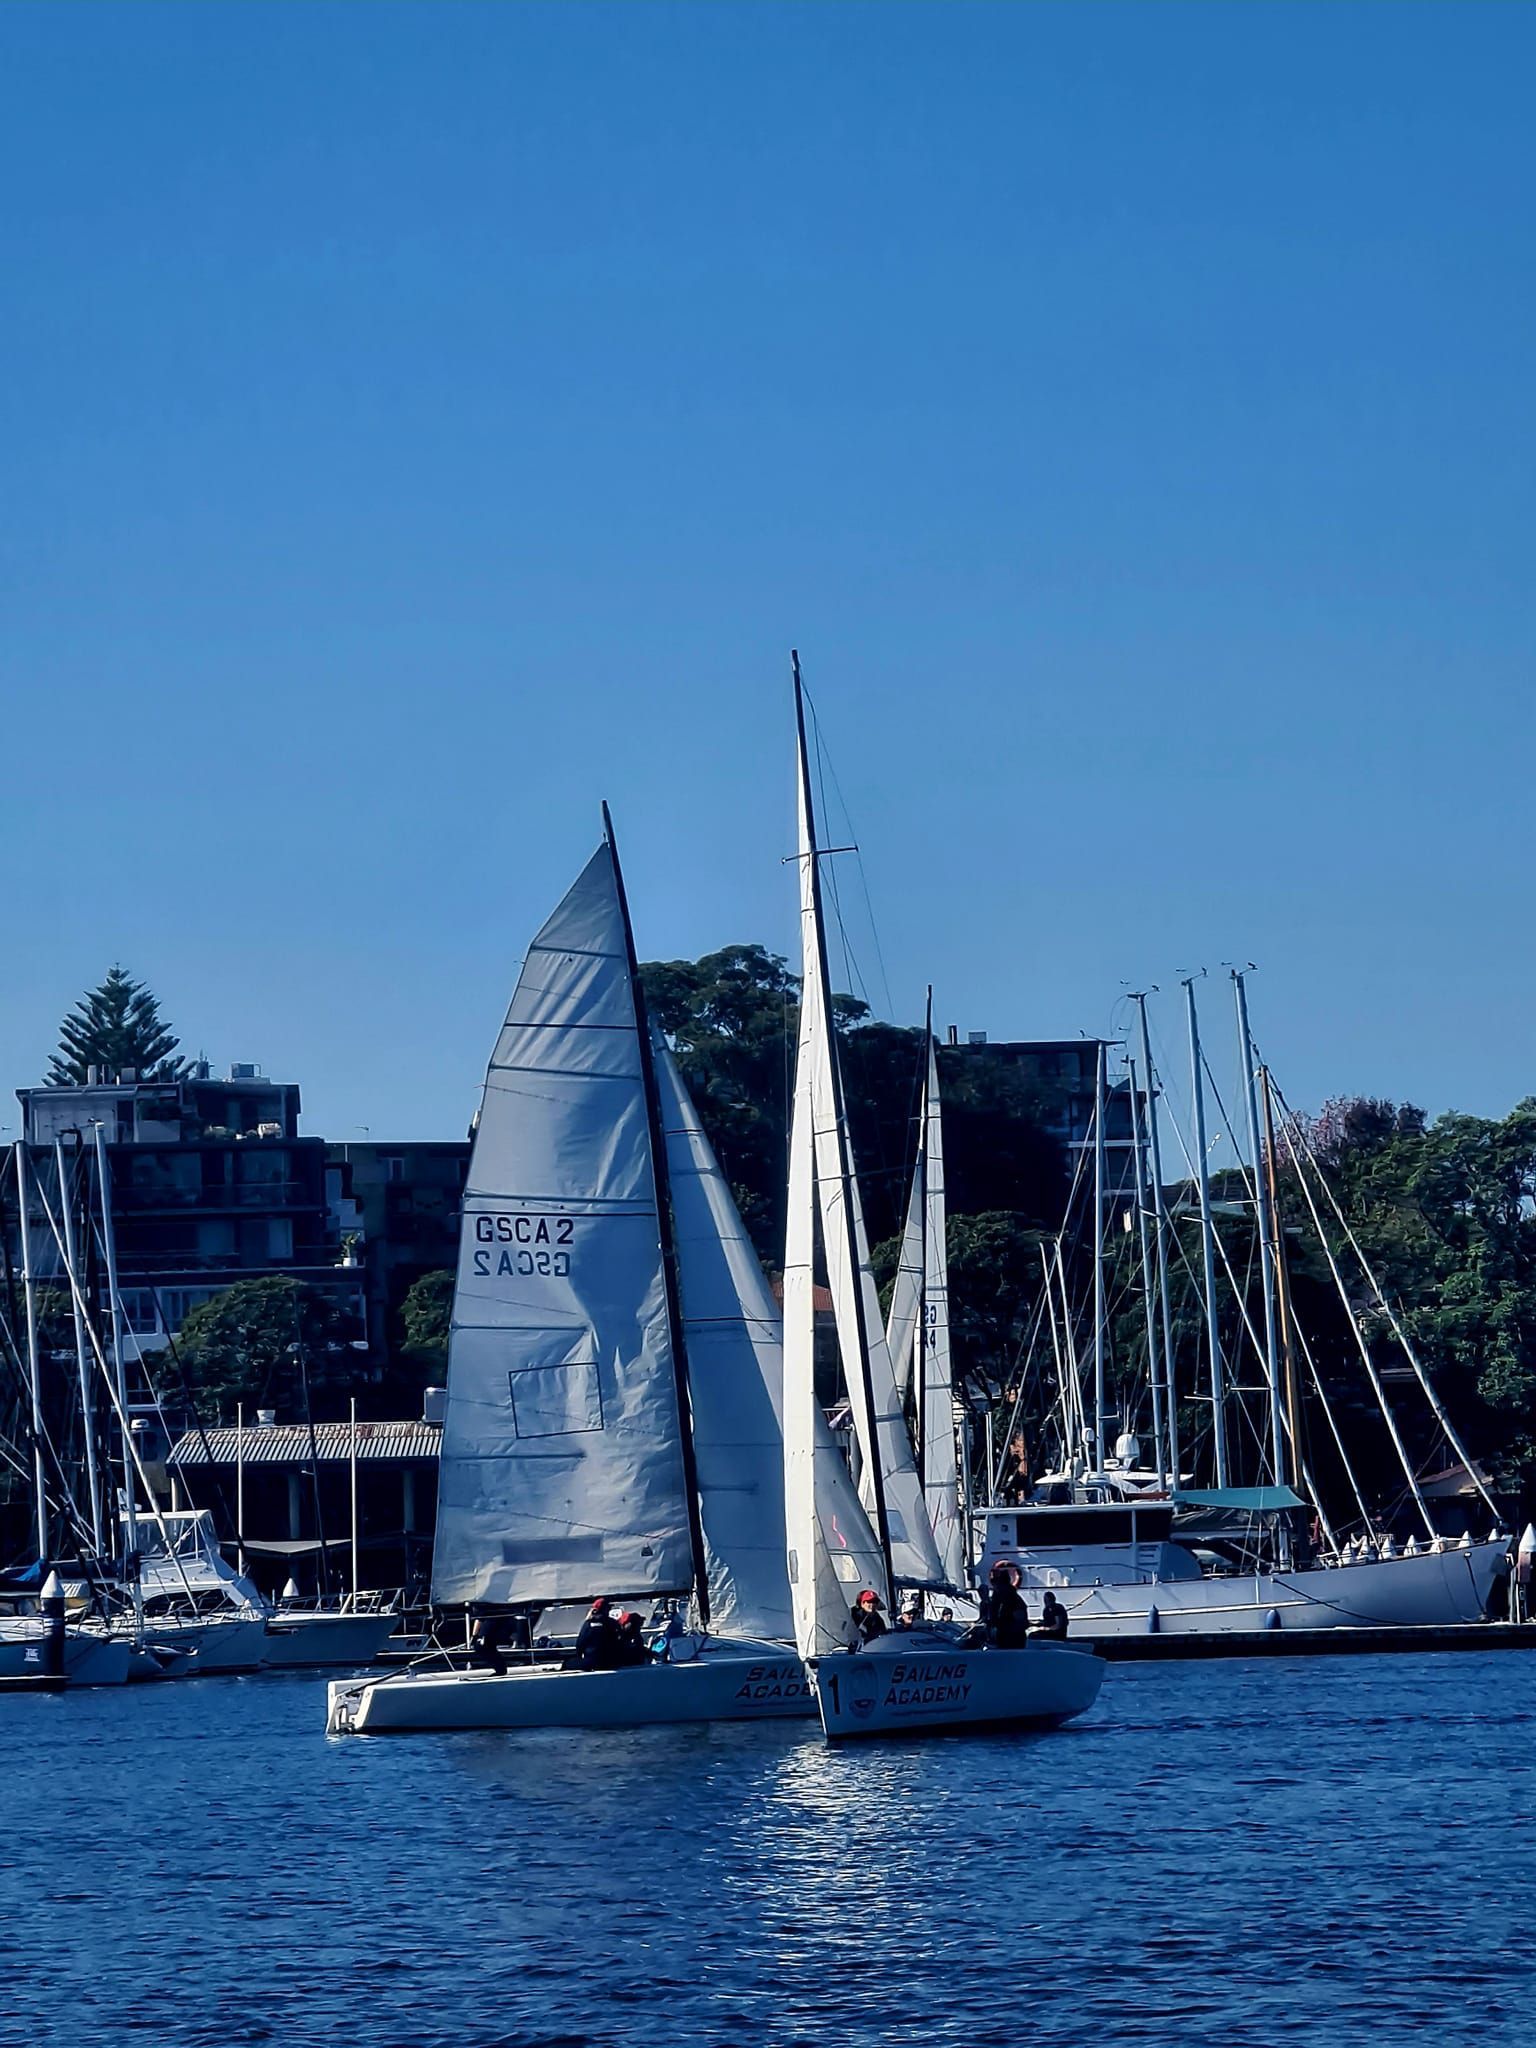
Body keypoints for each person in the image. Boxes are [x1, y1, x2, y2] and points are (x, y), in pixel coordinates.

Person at [985, 1560, 1031, 1649]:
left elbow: (1020, 1621)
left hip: (1012, 1636)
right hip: (1006, 1634)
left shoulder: (1012, 1599)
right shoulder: (1006, 1598)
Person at [569, 1595, 622, 1670]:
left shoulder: (587, 1624)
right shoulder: (613, 1623)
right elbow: (620, 1639)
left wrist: (579, 1656)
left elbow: (580, 1644)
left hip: (592, 1662)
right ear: (605, 1610)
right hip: (611, 1662)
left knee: (568, 1663)